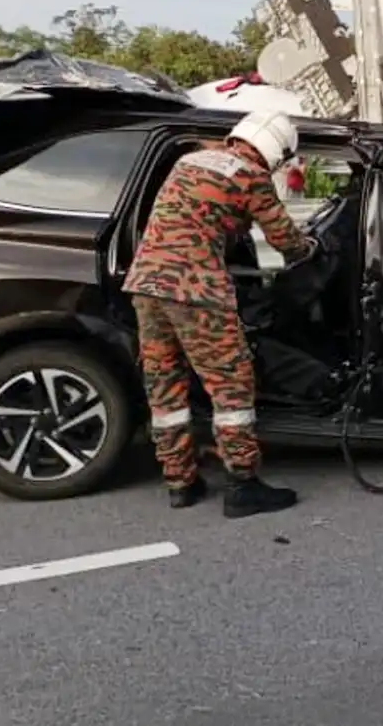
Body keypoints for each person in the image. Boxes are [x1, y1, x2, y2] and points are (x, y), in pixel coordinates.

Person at [122, 111, 315, 518]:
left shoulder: (189, 159)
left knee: (165, 384)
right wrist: (312, 248)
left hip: (147, 285)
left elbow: (204, 212)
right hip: (195, 291)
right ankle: (242, 485)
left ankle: (181, 482)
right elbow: (286, 241)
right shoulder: (250, 175)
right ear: (275, 152)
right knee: (232, 384)